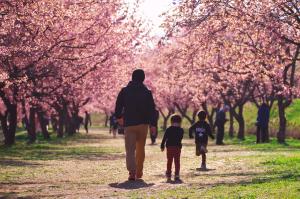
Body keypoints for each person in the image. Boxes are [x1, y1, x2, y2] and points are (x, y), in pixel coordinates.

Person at [115, 69, 157, 181]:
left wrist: (119, 117)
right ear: (143, 78)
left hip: (129, 124)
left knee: (130, 149)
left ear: (132, 77)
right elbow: (152, 109)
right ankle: (139, 171)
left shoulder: (125, 91)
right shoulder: (147, 92)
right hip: (143, 124)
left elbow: (118, 105)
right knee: (140, 148)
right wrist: (153, 124)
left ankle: (132, 172)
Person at [160, 114, 184, 181]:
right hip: (177, 147)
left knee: (169, 161)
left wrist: (162, 146)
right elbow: (180, 138)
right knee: (177, 161)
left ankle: (169, 175)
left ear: (171, 121)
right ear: (180, 122)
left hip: (169, 147)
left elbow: (164, 138)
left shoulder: (168, 129)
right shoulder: (181, 130)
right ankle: (176, 175)